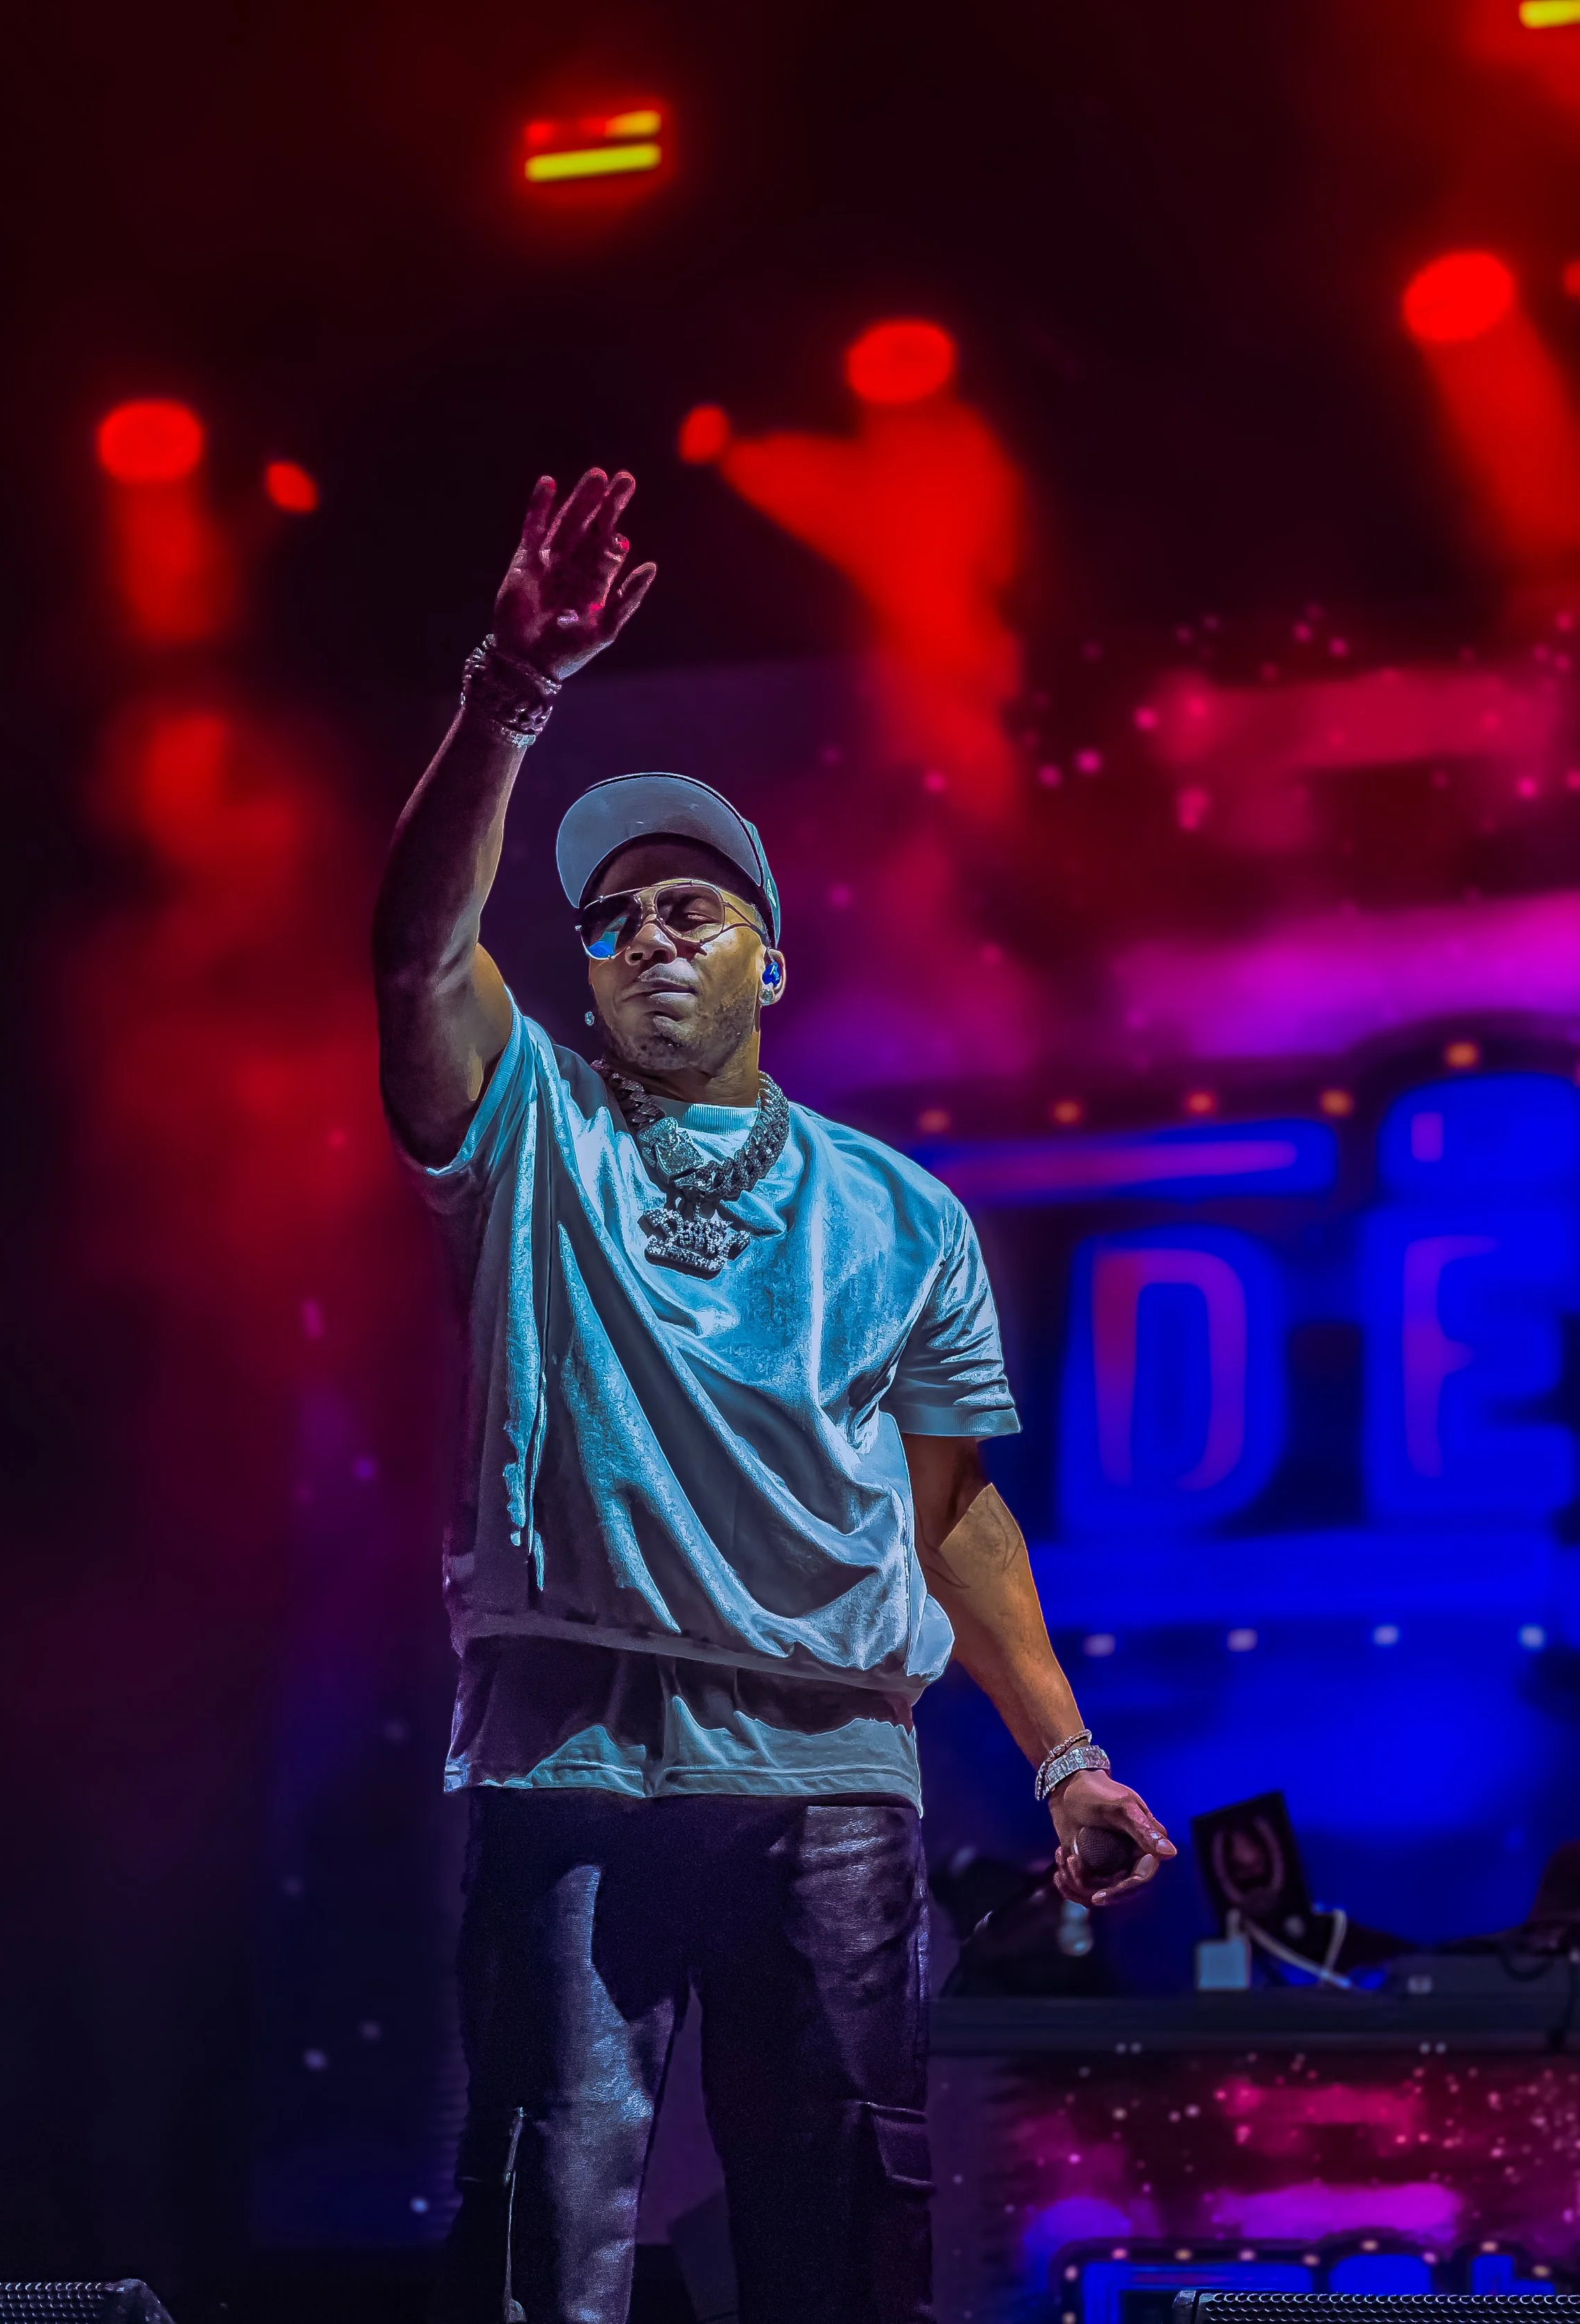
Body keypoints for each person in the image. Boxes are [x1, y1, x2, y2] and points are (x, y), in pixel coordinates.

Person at [372, 467, 1175, 2324]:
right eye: (615, 919)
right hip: (576, 1752)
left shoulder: (901, 1213)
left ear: (771, 960)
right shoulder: (531, 1127)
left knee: (842, 2232)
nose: (652, 935)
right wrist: (510, 686)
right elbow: (413, 951)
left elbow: (952, 1507)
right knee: (547, 2219)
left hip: (826, 1772)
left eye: (693, 906)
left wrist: (1065, 1757)